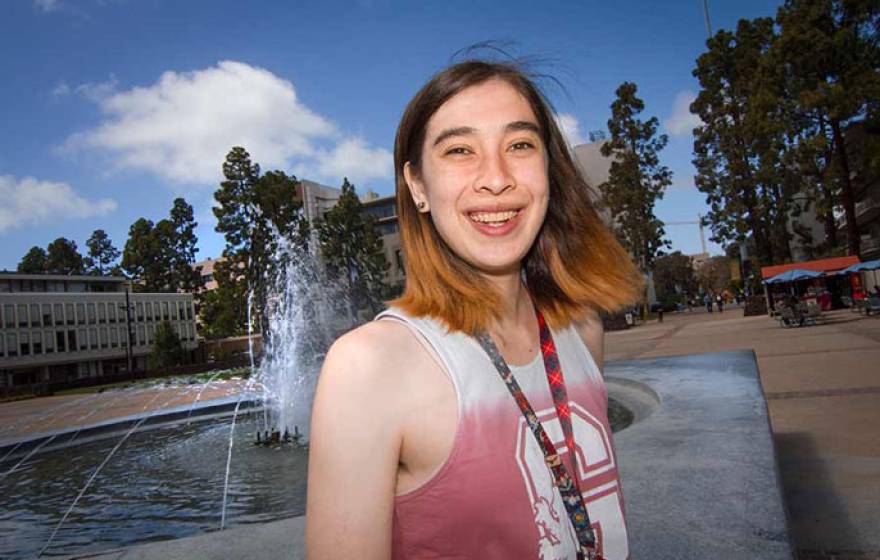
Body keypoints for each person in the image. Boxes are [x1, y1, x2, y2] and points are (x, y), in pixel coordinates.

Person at [305, 60, 641, 560]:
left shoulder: (581, 326)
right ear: (417, 186)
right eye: (460, 150)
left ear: (549, 166)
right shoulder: (369, 367)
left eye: (520, 145)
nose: (496, 178)